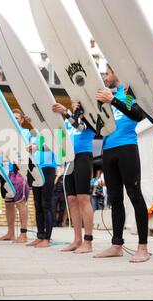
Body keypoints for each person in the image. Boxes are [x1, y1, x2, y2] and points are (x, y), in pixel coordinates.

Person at [94, 64, 151, 263]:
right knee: (115, 199)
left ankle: (143, 247)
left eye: (108, 72)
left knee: (135, 195)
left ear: (117, 71)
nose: (105, 76)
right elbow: (97, 129)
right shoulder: (105, 96)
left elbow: (138, 115)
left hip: (127, 148)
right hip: (108, 152)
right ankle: (116, 245)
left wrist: (114, 99)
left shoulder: (128, 92)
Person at [52, 101, 96, 254]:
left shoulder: (90, 116)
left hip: (83, 156)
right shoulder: (66, 121)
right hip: (69, 160)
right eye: (72, 101)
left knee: (83, 198)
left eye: (76, 101)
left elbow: (80, 127)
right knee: (71, 199)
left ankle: (88, 241)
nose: (73, 103)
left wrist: (66, 111)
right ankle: (77, 240)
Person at [0, 109, 32, 244]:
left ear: (21, 120)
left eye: (17, 118)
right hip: (6, 171)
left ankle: (23, 234)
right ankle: (10, 233)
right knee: (8, 203)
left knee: (20, 202)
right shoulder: (5, 135)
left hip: (19, 170)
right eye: (12, 118)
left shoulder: (25, 132)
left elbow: (22, 147)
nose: (14, 120)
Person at [26, 120, 58, 248]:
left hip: (48, 168)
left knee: (46, 204)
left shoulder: (53, 130)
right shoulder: (36, 134)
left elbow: (56, 146)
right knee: (38, 204)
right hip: (36, 168)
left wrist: (36, 147)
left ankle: (47, 238)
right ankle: (40, 235)